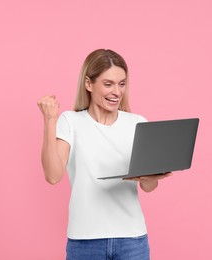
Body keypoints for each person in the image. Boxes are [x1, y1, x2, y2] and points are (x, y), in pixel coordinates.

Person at [37, 49, 171, 260]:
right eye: (108, 84)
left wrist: (150, 176)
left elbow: (149, 187)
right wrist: (49, 120)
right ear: (89, 84)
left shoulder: (137, 123)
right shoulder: (70, 121)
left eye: (122, 84)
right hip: (85, 241)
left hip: (132, 239)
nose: (117, 92)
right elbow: (53, 176)